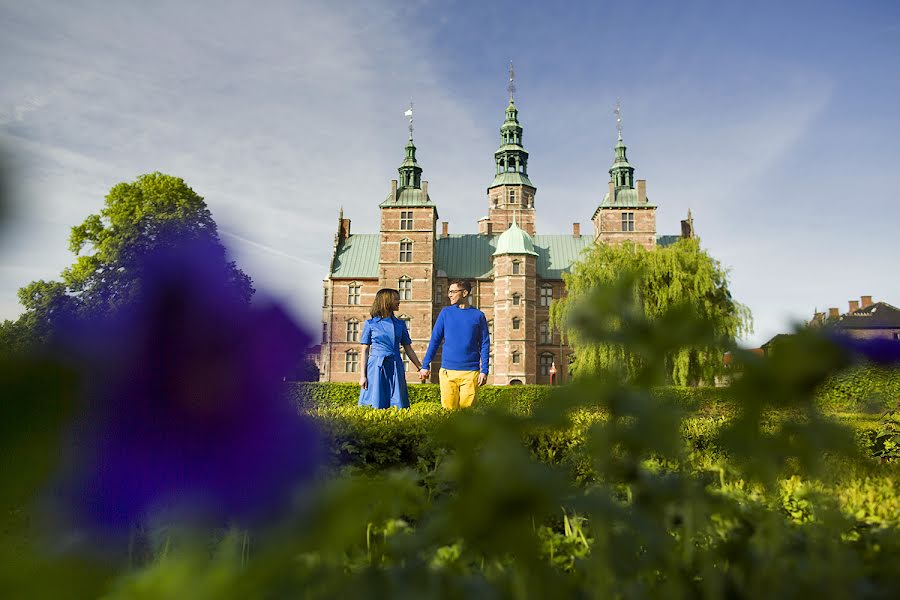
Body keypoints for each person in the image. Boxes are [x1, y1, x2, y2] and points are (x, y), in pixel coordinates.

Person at [419, 279, 490, 409]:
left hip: (470, 373)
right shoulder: (445, 313)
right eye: (449, 291)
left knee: (467, 415)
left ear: (464, 293)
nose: (449, 295)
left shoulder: (478, 316)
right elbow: (435, 340)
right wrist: (425, 365)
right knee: (448, 413)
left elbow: (485, 344)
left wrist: (484, 370)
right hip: (447, 371)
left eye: (453, 291)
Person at [358, 288, 423, 409]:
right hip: (376, 367)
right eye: (396, 299)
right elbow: (365, 351)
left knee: (397, 402)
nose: (399, 301)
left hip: (395, 366)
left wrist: (420, 367)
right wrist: (363, 376)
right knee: (375, 402)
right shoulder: (370, 324)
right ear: (386, 301)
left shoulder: (400, 324)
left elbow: (408, 348)